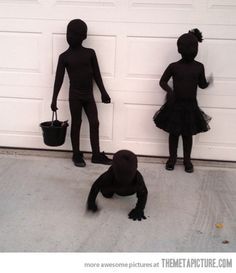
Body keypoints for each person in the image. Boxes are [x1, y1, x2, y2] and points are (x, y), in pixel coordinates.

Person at [51, 19, 112, 167]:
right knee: (76, 123)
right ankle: (76, 154)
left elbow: (97, 75)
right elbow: (58, 80)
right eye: (68, 33)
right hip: (75, 96)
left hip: (88, 95)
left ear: (83, 36)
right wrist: (53, 100)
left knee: (95, 123)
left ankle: (96, 154)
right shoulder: (64, 57)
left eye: (74, 34)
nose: (69, 37)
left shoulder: (90, 53)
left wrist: (104, 92)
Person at [153, 29, 212, 173]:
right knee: (174, 134)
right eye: (189, 48)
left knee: (187, 134)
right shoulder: (174, 66)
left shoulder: (199, 67)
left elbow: (201, 84)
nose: (192, 51)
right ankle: (172, 159)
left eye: (195, 48)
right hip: (175, 106)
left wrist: (208, 82)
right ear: (180, 49)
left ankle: (187, 160)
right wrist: (170, 91)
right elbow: (162, 82)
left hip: (191, 107)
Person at [87, 150, 148, 221]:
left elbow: (143, 194)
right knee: (107, 194)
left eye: (128, 173)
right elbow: (96, 186)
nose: (124, 176)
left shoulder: (138, 179)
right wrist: (91, 202)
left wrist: (139, 209)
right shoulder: (109, 175)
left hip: (129, 189)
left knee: (107, 192)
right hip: (113, 187)